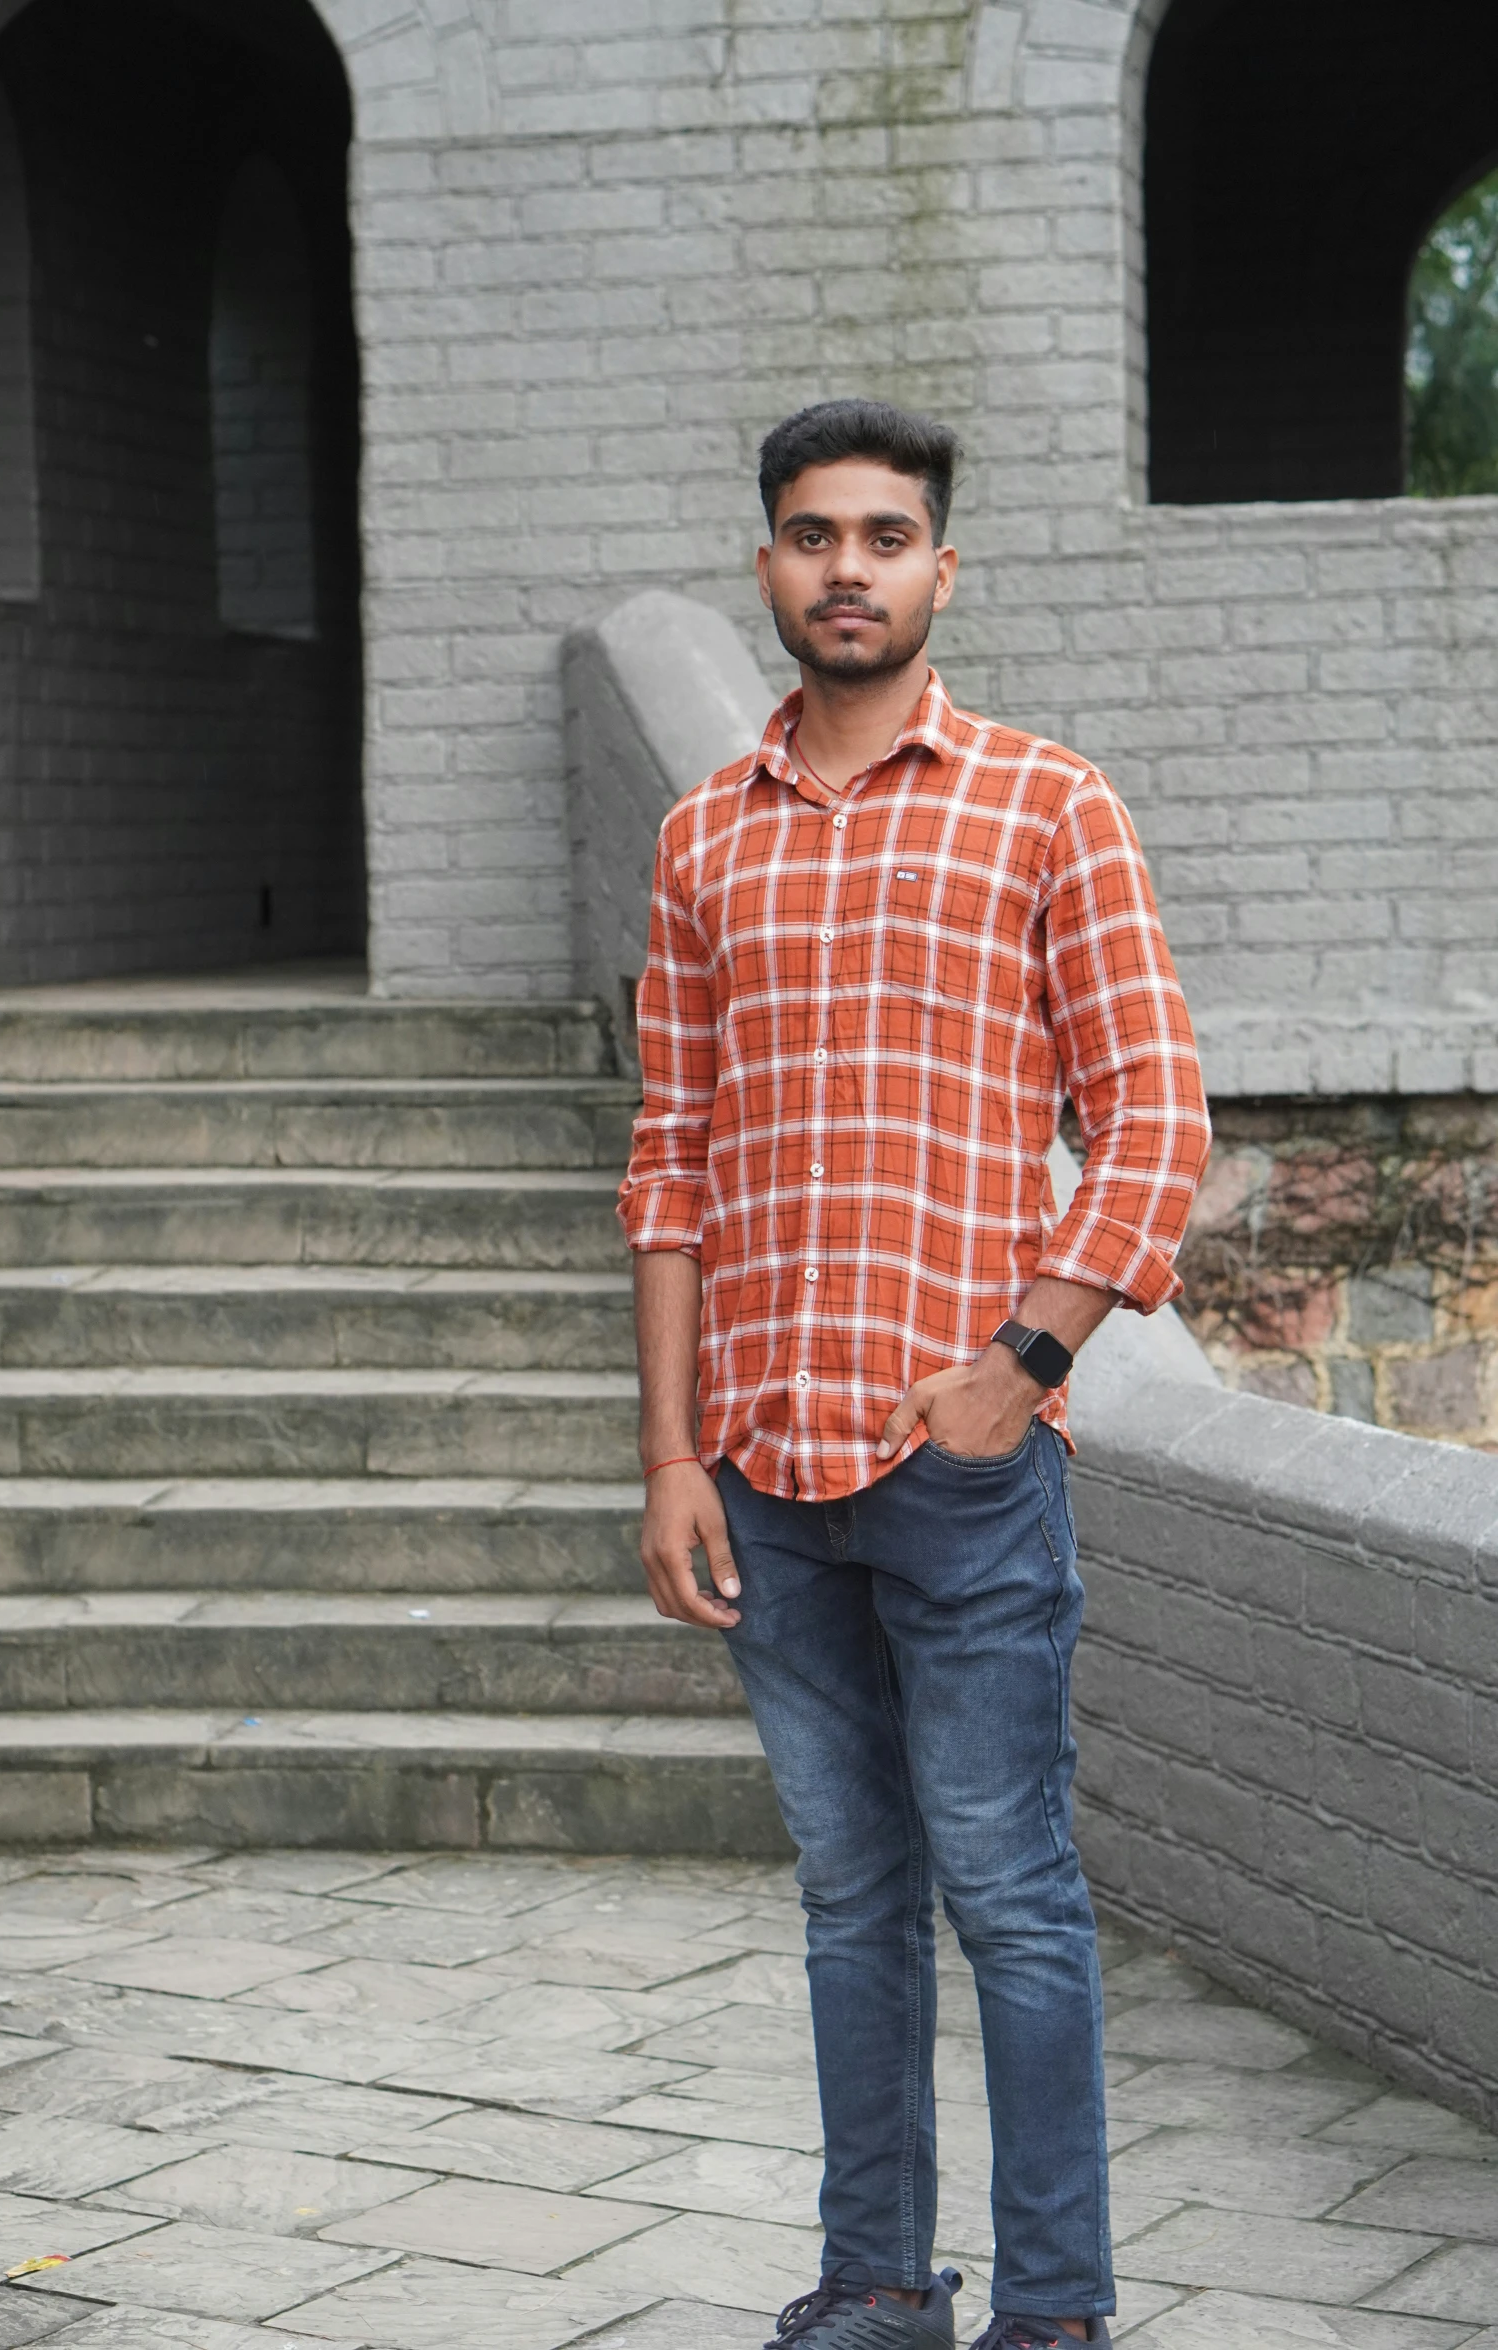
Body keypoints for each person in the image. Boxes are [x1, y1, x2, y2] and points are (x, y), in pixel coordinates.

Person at [618, 399, 1210, 2350]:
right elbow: (671, 1162)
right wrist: (671, 1455)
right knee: (848, 1898)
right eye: (811, 532)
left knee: (1014, 1898)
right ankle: (876, 2281)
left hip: (960, 1471)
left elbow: (1154, 1118)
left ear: (939, 570)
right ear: (767, 564)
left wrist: (1018, 1362)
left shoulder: (1050, 802)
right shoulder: (706, 834)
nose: (845, 565)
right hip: (764, 1473)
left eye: (886, 534)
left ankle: (1054, 2312)